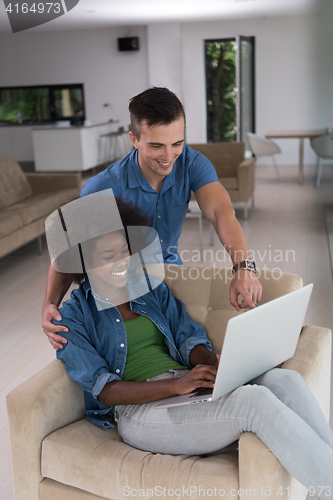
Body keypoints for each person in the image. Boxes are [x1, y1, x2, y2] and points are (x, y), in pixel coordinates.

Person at [48, 196, 333, 500]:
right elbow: (104, 390)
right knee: (255, 402)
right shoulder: (72, 316)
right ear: (84, 260)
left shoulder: (150, 288)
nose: (122, 263)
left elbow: (188, 339)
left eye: (125, 251)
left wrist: (218, 365)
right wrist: (177, 385)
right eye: (108, 256)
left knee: (283, 380)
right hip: (140, 414)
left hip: (187, 388)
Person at [42, 86, 262, 350]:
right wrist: (50, 305)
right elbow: (68, 252)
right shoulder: (101, 187)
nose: (168, 157)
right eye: (156, 145)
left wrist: (243, 267)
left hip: (169, 274)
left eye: (177, 143)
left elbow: (221, 212)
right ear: (134, 139)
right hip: (118, 288)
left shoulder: (193, 163)